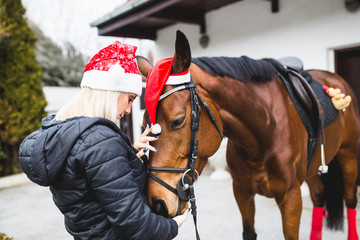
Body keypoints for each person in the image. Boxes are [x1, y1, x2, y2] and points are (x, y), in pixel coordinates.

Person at [18, 41, 188, 240]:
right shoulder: (101, 142)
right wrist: (172, 225)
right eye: (130, 98)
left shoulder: (68, 136)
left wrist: (128, 154)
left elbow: (91, 184)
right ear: (111, 92)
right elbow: (137, 226)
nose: (128, 110)